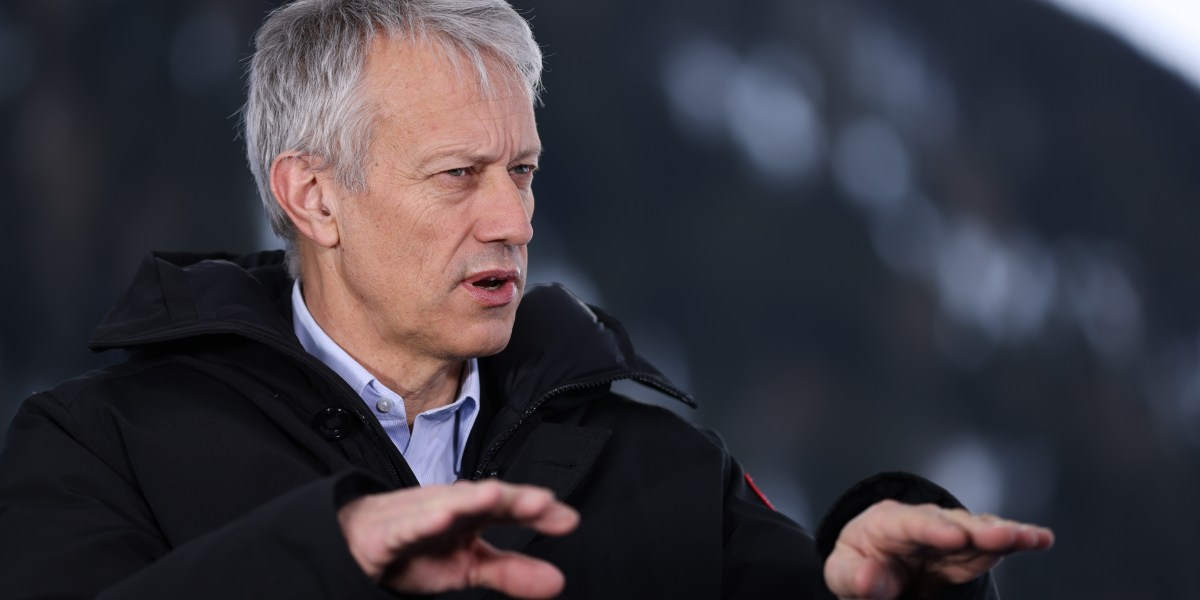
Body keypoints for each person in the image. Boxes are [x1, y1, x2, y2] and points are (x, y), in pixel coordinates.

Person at [0, 1, 1053, 598]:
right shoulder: (99, 449)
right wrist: (326, 558)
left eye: (523, 170)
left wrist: (884, 593)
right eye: (459, 175)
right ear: (313, 196)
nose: (512, 218)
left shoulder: (655, 457)